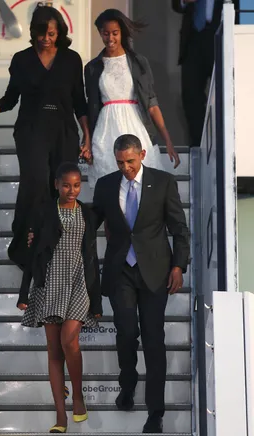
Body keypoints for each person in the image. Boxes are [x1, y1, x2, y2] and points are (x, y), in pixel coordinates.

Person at [0, 4, 91, 267]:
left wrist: (87, 137)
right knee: (36, 182)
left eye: (51, 33)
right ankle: (23, 246)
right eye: (41, 33)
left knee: (62, 187)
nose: (46, 38)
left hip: (64, 131)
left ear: (59, 33)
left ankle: (55, 246)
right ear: (33, 32)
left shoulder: (72, 59)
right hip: (31, 130)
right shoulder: (21, 59)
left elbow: (80, 102)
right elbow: (9, 100)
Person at [92, 134, 190, 434]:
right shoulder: (106, 185)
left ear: (142, 155)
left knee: (152, 339)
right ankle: (128, 383)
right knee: (125, 332)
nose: (126, 168)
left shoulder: (163, 182)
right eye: (120, 162)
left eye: (131, 162)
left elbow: (179, 228)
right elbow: (89, 224)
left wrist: (178, 266)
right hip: (120, 270)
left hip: (155, 271)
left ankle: (155, 412)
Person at [17, 162, 102, 434]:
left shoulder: (88, 213)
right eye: (66, 185)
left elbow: (92, 258)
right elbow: (34, 256)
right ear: (56, 184)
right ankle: (60, 415)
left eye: (76, 185)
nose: (71, 190)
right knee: (54, 352)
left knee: (69, 340)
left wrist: (96, 301)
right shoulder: (43, 212)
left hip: (78, 283)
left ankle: (78, 395)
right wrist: (23, 293)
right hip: (49, 284)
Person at [84, 9, 180, 188]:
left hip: (136, 123)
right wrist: (87, 141)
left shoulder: (138, 62)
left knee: (140, 178)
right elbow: (90, 106)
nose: (110, 38)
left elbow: (151, 102)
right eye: (105, 33)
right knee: (109, 181)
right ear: (100, 33)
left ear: (122, 32)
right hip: (105, 129)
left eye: (115, 33)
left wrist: (167, 139)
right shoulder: (92, 67)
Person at [172, 0, 230, 146]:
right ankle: (199, 147)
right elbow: (176, 5)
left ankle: (226, 143)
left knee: (225, 94)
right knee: (191, 96)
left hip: (222, 35)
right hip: (193, 39)